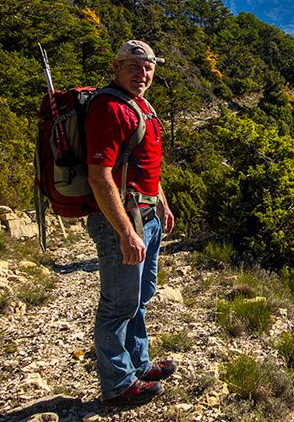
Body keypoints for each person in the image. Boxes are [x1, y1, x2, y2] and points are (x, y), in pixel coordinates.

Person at [86, 39, 177, 406]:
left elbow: (147, 166)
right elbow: (99, 176)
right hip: (122, 222)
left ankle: (138, 363)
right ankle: (118, 384)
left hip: (148, 213)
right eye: (134, 66)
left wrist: (162, 203)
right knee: (118, 304)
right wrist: (125, 232)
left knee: (140, 298)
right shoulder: (109, 109)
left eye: (149, 67)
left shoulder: (140, 105)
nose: (143, 74)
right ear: (116, 67)